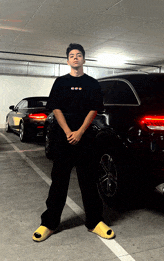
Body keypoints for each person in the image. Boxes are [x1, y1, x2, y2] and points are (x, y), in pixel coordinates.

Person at [32, 43, 115, 242]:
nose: (75, 58)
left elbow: (94, 109)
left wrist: (79, 132)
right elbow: (56, 108)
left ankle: (95, 222)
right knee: (59, 182)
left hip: (85, 138)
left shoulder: (92, 83)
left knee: (88, 181)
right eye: (72, 55)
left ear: (84, 60)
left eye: (79, 55)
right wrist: (69, 131)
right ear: (68, 60)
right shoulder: (60, 83)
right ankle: (49, 223)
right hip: (63, 138)